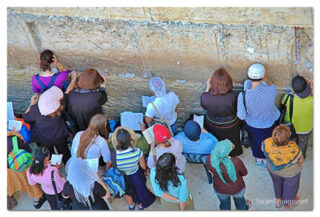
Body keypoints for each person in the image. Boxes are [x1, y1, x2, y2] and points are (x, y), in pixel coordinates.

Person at [237, 63, 280, 167]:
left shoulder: (243, 95)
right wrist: (265, 79)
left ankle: (259, 160)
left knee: (256, 143)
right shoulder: (272, 89)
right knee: (269, 142)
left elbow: (241, 116)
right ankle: (266, 160)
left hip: (253, 125)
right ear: (263, 76)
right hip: (270, 122)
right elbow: (269, 86)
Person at [23, 86, 73, 164]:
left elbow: (25, 118)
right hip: (60, 136)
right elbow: (65, 95)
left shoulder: (35, 110)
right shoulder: (61, 106)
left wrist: (31, 104)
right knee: (64, 152)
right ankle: (69, 166)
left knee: (49, 154)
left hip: (42, 139)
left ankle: (53, 168)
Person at [201, 67, 243, 156]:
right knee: (232, 140)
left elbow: (204, 105)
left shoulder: (206, 97)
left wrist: (208, 87)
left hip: (213, 123)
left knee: (216, 140)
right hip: (230, 124)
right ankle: (232, 153)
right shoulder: (232, 96)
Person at [112, 127, 156, 210]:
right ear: (130, 139)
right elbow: (143, 167)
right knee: (139, 189)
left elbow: (114, 167)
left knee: (128, 192)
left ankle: (131, 205)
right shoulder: (137, 151)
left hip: (123, 177)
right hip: (135, 174)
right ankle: (140, 205)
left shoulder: (114, 154)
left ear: (117, 141)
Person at [262, 124, 304, 209]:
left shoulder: (266, 143)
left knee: (277, 183)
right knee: (291, 188)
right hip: (290, 174)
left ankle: (278, 199)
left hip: (273, 170)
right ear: (288, 137)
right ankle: (287, 203)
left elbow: (264, 152)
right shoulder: (294, 148)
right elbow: (301, 160)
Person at [207, 139, 250, 210]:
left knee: (224, 206)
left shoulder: (209, 159)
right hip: (237, 188)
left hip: (220, 189)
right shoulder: (236, 161)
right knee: (241, 205)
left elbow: (210, 170)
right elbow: (244, 173)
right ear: (226, 154)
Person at [7, 131, 45, 210]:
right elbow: (28, 150)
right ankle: (37, 200)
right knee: (34, 182)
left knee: (27, 184)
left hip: (14, 172)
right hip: (27, 166)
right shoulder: (14, 138)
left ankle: (36, 199)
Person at [281, 75, 313, 158]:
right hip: (305, 129)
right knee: (303, 143)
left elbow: (282, 103)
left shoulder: (288, 97)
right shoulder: (313, 100)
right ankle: (301, 157)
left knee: (291, 142)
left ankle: (292, 156)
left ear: (293, 90)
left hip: (291, 127)